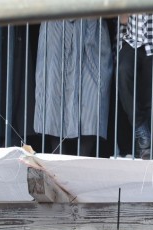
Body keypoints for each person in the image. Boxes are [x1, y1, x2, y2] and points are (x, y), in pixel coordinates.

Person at [34, 19, 113, 156]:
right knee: (53, 93)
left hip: (91, 26)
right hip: (56, 27)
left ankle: (82, 160)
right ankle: (57, 160)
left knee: (92, 97)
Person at [116, 13, 153, 159]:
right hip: (132, 40)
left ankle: (146, 148)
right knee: (123, 72)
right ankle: (140, 126)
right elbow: (123, 18)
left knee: (152, 99)